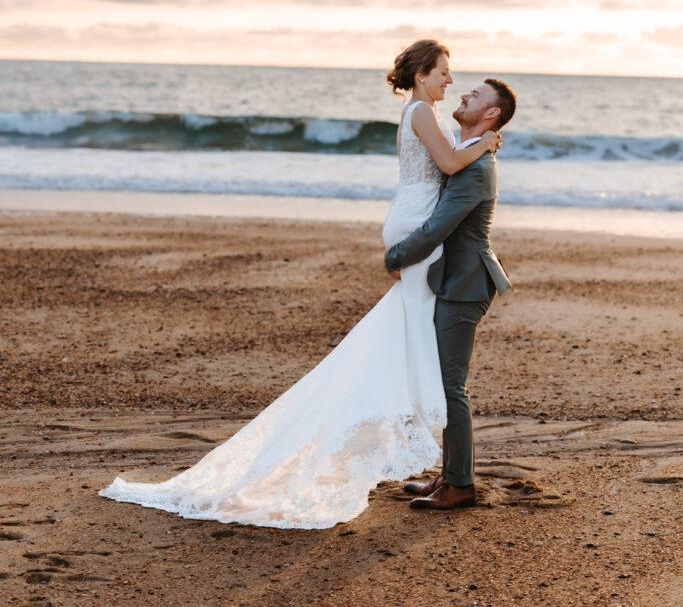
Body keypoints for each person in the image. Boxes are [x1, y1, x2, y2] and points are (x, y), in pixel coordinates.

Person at [98, 39, 500, 529]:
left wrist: (475, 150)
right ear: (421, 75)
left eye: (457, 80)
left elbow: (452, 172)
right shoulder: (426, 116)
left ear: (491, 112)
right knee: (422, 353)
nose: (450, 82)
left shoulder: (424, 117)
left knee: (418, 349)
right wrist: (483, 142)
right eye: (443, 72)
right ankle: (450, 473)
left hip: (413, 229)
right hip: (415, 229)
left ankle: (450, 473)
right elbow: (451, 165)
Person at [384, 75, 517, 511]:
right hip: (453, 278)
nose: (464, 94)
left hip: (466, 283)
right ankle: (449, 474)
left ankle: (460, 485)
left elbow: (440, 225)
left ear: (492, 114)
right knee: (445, 381)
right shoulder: (466, 156)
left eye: (476, 96)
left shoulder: (477, 168)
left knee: (450, 385)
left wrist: (396, 255)